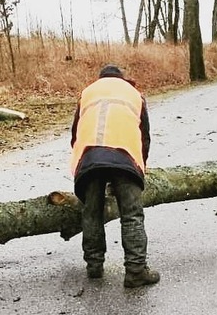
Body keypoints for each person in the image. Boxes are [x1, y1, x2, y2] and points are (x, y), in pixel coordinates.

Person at [70, 64, 160, 288]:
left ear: (100, 79)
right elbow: (144, 138)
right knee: (131, 215)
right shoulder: (134, 94)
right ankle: (136, 271)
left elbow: (75, 136)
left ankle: (94, 266)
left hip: (90, 157)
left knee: (92, 212)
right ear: (122, 78)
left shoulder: (87, 93)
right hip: (125, 157)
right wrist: (140, 169)